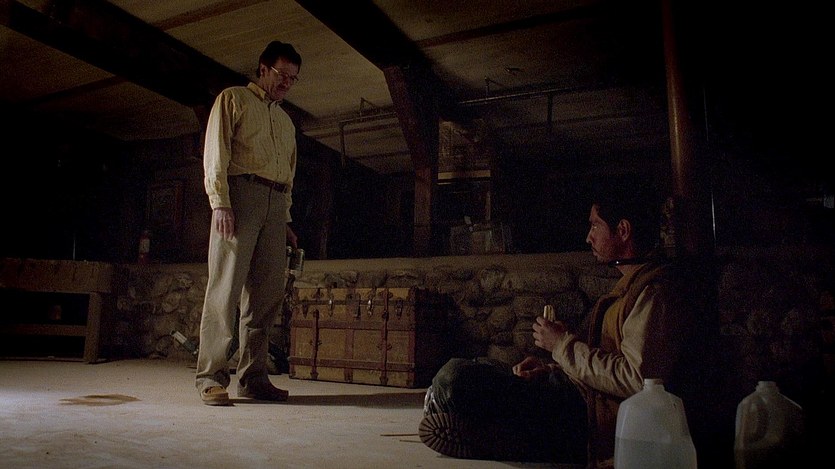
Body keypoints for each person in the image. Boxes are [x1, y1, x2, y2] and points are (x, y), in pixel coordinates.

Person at [419, 183, 704, 468]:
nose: (588, 237)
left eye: (595, 226)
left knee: (454, 378)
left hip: (585, 417)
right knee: (486, 368)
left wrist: (562, 345)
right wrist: (551, 368)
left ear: (623, 230)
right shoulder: (631, 286)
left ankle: (493, 433)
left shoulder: (654, 293)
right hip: (579, 394)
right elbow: (604, 362)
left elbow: (637, 380)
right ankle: (487, 429)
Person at [195, 41, 302, 406]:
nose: (287, 83)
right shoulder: (233, 99)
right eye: (282, 74)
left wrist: (284, 219)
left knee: (267, 295)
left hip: (275, 204)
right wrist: (220, 203)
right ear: (263, 69)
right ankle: (211, 377)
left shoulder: (286, 123)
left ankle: (254, 378)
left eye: (293, 78)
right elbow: (216, 152)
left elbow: (288, 174)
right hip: (240, 196)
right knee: (225, 289)